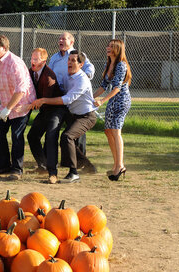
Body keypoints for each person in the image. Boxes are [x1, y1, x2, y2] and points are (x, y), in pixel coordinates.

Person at [30, 50, 97, 183]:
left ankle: (74, 173)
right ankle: (86, 165)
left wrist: (44, 100)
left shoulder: (82, 80)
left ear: (81, 64)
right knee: (63, 139)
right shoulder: (67, 75)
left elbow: (67, 99)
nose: (69, 63)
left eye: (73, 60)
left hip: (86, 116)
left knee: (67, 137)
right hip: (71, 113)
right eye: (69, 60)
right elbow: (60, 89)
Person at [0, 34, 36, 180]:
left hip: (21, 105)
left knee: (16, 135)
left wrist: (9, 108)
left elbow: (21, 90)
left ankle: (16, 170)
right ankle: (3, 166)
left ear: (4, 48)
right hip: (5, 105)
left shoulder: (15, 63)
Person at [48, 32, 97, 174]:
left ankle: (78, 166)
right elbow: (50, 73)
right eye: (60, 38)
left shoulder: (78, 56)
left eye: (64, 38)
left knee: (72, 135)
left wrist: (80, 80)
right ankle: (74, 163)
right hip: (61, 98)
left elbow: (90, 69)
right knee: (63, 134)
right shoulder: (55, 58)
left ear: (72, 41)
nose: (61, 40)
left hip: (75, 102)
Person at [93, 39, 132, 181]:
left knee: (115, 132)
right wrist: (91, 97)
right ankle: (116, 164)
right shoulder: (109, 64)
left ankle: (120, 166)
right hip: (112, 101)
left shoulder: (121, 65)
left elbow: (117, 88)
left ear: (118, 49)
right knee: (108, 132)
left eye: (111, 46)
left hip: (121, 101)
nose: (107, 48)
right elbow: (104, 86)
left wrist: (102, 101)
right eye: (108, 46)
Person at [26, 48, 66, 184]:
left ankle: (52, 173)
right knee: (32, 136)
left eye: (36, 59)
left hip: (56, 109)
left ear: (43, 61)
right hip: (44, 109)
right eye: (32, 58)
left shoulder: (49, 76)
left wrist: (25, 107)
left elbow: (42, 100)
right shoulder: (30, 72)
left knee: (51, 137)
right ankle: (42, 166)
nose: (33, 61)